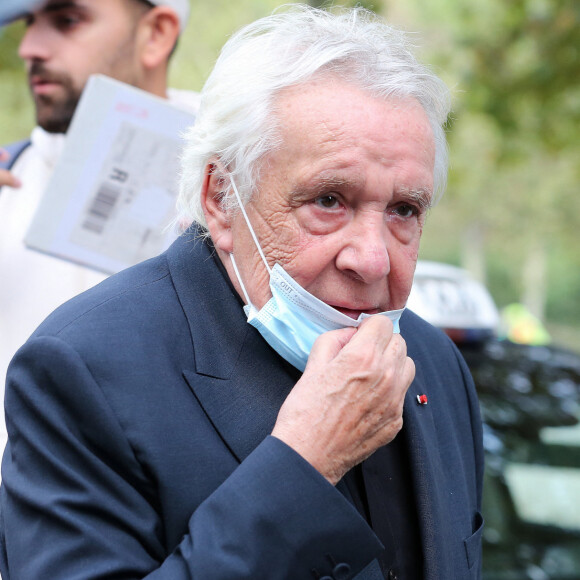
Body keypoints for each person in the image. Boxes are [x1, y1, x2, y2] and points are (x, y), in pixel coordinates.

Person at [0, 5, 484, 579]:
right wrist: (303, 464)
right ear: (220, 198)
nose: (373, 258)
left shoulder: (435, 364)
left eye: (405, 209)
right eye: (329, 200)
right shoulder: (83, 371)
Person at [0, 0, 200, 451]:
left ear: (156, 34)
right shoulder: (7, 186)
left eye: (67, 20)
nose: (28, 47)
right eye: (29, 23)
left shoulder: (250, 194)